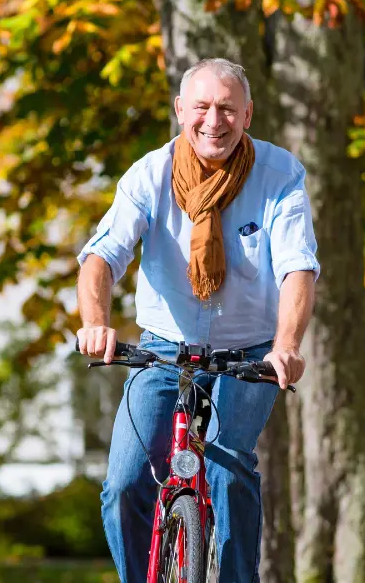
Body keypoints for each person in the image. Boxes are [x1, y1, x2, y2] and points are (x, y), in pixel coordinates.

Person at [75, 57, 318, 582]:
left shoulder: (279, 175)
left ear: (247, 114)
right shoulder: (150, 174)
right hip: (164, 349)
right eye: (202, 107)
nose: (215, 120)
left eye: (228, 108)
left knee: (228, 470)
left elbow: (298, 266)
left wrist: (288, 344)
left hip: (249, 350)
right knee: (125, 481)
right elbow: (102, 257)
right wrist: (96, 322)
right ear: (179, 110)